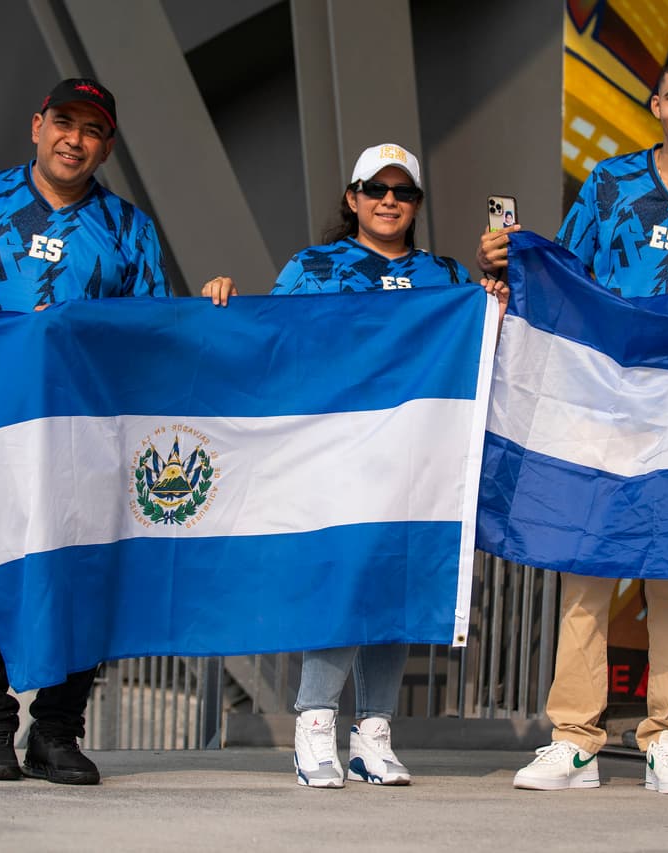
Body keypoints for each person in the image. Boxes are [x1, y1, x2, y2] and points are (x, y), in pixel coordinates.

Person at [477, 54, 668, 793]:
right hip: (602, 400)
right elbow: (565, 274)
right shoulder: (608, 182)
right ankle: (575, 739)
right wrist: (510, 263)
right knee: (586, 567)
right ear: (655, 102)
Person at [203, 142, 506, 788]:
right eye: (376, 189)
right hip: (335, 452)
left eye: (402, 192)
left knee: (393, 583)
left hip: (414, 458)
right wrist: (228, 299)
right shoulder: (314, 267)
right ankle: (314, 723)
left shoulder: (446, 278)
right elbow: (270, 337)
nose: (388, 201)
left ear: (416, 203)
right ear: (353, 198)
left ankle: (373, 733)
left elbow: (484, 343)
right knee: (347, 577)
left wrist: (498, 295)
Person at [0, 78, 168, 784]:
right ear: (37, 126)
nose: (75, 139)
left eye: (92, 130)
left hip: (86, 434)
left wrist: (218, 303)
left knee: (82, 576)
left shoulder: (129, 227)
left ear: (107, 146)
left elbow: (156, 329)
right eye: (64, 123)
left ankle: (55, 730)